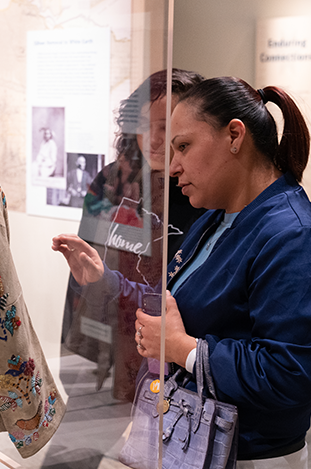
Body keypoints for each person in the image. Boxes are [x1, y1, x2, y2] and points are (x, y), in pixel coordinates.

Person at [53, 76, 311, 469]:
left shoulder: (296, 238)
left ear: (234, 136)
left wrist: (186, 350)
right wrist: (107, 283)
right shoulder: (218, 219)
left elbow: (290, 374)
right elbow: (175, 312)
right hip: (192, 450)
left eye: (184, 147)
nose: (172, 167)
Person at [62, 68, 205, 401]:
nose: (154, 139)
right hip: (111, 336)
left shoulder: (203, 193)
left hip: (175, 352)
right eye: (144, 125)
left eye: (167, 127)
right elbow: (83, 272)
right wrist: (77, 349)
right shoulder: (111, 182)